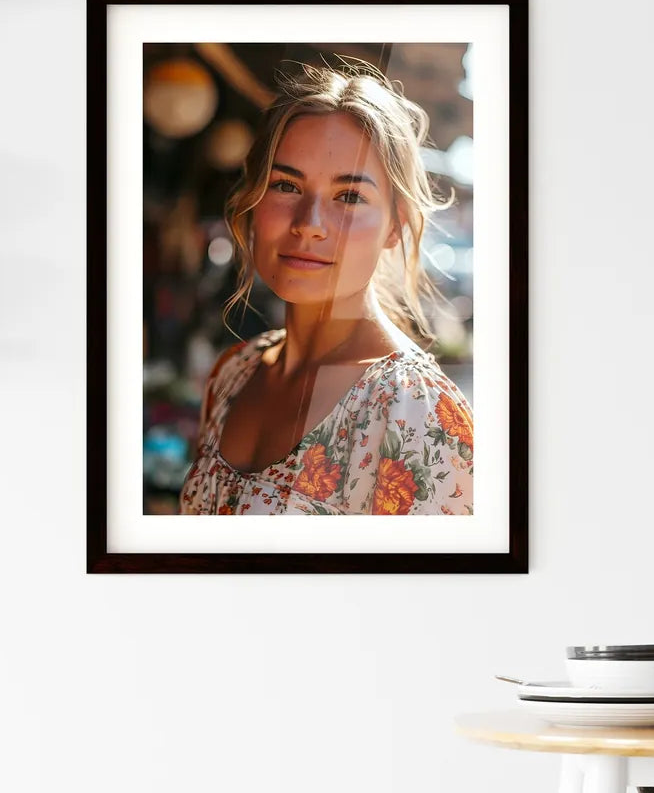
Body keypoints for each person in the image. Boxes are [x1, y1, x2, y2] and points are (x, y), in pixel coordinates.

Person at [179, 61, 473, 515]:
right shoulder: (233, 375)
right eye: (286, 185)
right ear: (253, 202)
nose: (309, 225)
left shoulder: (414, 411)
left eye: (350, 196)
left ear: (395, 226)